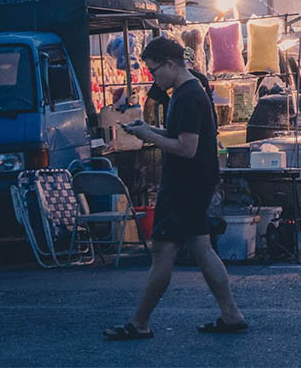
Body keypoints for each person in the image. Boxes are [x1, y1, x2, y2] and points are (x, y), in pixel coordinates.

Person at [104, 37, 246, 341]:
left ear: (170, 63)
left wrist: (148, 135)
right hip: (196, 182)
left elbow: (186, 147)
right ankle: (231, 314)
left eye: (154, 71)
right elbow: (180, 134)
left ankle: (140, 322)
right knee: (202, 249)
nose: (154, 78)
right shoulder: (189, 91)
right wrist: (147, 129)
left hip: (184, 185)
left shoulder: (187, 95)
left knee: (163, 252)